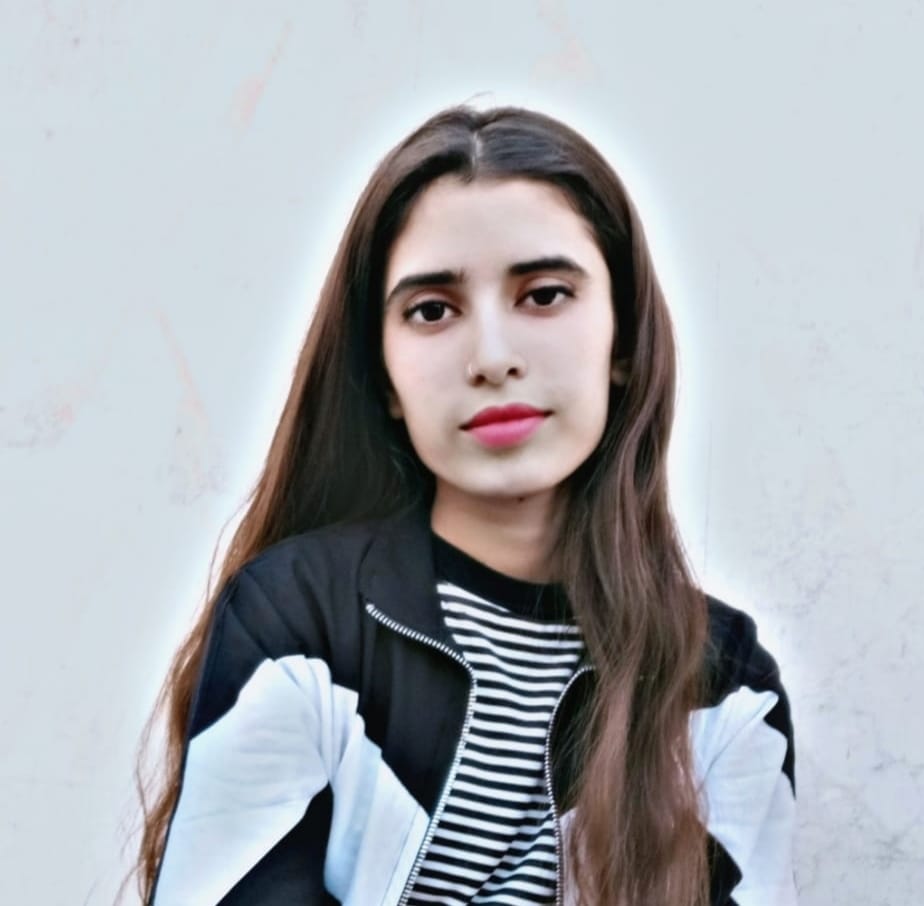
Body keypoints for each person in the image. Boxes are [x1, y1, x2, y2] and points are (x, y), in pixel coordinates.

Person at [131, 104, 796, 906]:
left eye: (544, 295)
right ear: (384, 377)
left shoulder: (722, 685)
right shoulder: (298, 622)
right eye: (432, 311)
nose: (491, 357)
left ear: (622, 341)